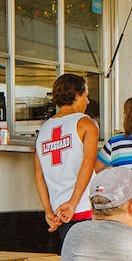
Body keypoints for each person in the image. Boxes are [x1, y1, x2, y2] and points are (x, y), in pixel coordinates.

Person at [33, 74, 99, 243]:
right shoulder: (86, 123)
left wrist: (48, 210)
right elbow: (88, 163)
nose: (88, 101)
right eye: (85, 96)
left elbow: (39, 175)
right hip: (85, 207)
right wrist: (73, 203)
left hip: (59, 213)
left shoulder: (44, 129)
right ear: (76, 95)